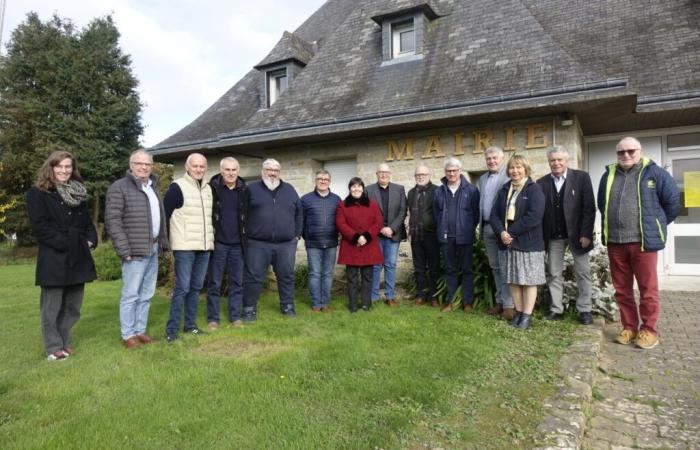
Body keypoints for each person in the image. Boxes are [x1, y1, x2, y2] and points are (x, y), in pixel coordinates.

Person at [598, 137, 680, 349]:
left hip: (643, 242)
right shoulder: (608, 175)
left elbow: (672, 205)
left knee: (647, 289)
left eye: (630, 151)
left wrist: (655, 223)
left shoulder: (656, 173)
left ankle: (649, 330)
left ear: (640, 151)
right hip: (616, 243)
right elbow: (602, 205)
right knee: (622, 289)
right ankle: (629, 327)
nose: (625, 155)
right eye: (621, 152)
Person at [26, 150, 97, 360]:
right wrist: (71, 244)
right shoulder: (37, 194)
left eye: (68, 167)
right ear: (51, 168)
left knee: (73, 306)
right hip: (54, 258)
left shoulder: (78, 193)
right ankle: (53, 346)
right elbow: (41, 228)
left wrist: (91, 240)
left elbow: (87, 224)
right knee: (52, 307)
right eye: (60, 166)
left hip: (79, 258)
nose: (64, 170)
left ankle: (65, 341)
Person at [106, 149, 169, 348]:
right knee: (131, 294)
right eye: (139, 163)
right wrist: (124, 249)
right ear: (131, 165)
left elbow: (160, 219)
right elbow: (113, 221)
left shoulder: (153, 187)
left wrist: (163, 244)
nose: (144, 167)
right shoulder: (119, 188)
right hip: (133, 251)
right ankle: (128, 335)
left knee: (147, 294)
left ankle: (140, 330)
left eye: (147, 164)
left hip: (153, 248)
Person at [537, 146, 596, 325]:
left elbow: (589, 208)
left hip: (578, 235)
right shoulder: (541, 183)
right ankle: (557, 310)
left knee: (583, 273)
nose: (556, 163)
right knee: (554, 273)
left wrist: (586, 233)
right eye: (552, 160)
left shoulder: (581, 178)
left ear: (566, 161)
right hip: (553, 236)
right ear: (549, 163)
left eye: (559, 160)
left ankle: (585, 310)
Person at [242, 158, 302, 321]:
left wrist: (297, 234)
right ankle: (249, 310)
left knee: (286, 276)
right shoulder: (251, 189)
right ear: (263, 171)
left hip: (286, 244)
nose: (272, 173)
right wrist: (245, 235)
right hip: (257, 243)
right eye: (269, 169)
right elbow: (242, 214)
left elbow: (299, 212)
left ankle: (287, 307)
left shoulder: (289, 189)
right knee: (253, 277)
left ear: (279, 172)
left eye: (276, 170)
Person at [490, 154, 546, 330]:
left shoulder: (533, 189)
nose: (515, 171)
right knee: (513, 279)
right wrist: (501, 232)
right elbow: (494, 215)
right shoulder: (504, 189)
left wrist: (510, 232)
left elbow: (534, 217)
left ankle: (527, 316)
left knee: (528, 280)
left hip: (528, 243)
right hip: (507, 242)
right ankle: (519, 313)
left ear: (526, 169)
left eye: (518, 167)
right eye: (512, 168)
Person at [163, 153, 214, 342]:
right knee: (182, 288)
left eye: (202, 166)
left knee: (196, 287)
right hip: (184, 246)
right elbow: (164, 215)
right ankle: (171, 330)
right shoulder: (177, 187)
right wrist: (165, 242)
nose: (199, 169)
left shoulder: (208, 189)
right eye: (195, 166)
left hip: (204, 246)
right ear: (187, 167)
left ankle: (190, 326)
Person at [434, 157, 480, 313]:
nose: (451, 173)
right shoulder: (439, 191)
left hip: (465, 237)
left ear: (460, 171)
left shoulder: (472, 190)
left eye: (454, 170)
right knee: (450, 270)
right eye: (448, 171)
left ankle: (467, 303)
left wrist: (466, 229)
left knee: (467, 270)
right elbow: (436, 214)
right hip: (446, 238)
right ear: (445, 172)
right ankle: (451, 302)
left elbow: (476, 214)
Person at [206, 157, 247, 329]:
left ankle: (235, 317)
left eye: (234, 170)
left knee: (237, 282)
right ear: (221, 171)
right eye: (227, 170)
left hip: (238, 245)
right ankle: (213, 319)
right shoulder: (212, 189)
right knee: (215, 282)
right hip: (219, 244)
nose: (231, 173)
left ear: (238, 171)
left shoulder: (244, 190)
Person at [336, 177, 384, 312]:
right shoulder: (342, 205)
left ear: (363, 188)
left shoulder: (372, 204)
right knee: (351, 278)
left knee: (368, 277)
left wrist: (366, 237)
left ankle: (366, 304)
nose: (356, 189)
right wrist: (356, 237)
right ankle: (353, 305)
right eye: (353, 186)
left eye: (359, 186)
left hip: (368, 245)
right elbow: (341, 224)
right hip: (351, 245)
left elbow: (378, 223)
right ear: (350, 189)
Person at [477, 146, 514, 320]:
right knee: (495, 267)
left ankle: (509, 305)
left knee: (505, 267)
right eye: (488, 158)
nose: (491, 161)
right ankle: (500, 301)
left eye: (494, 158)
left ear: (502, 159)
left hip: (502, 229)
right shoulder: (483, 178)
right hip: (486, 228)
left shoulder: (509, 176)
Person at [365, 163, 407, 306]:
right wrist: (381, 228)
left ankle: (390, 296)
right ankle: (374, 296)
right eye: (380, 172)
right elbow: (366, 213)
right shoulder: (368, 190)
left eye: (386, 172)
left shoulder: (399, 189)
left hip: (393, 235)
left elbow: (403, 211)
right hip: (376, 235)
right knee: (376, 265)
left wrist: (392, 228)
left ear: (390, 174)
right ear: (376, 174)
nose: (383, 174)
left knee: (390, 265)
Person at [301, 169, 341, 312]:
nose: (323, 181)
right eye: (320, 179)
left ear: (329, 181)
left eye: (326, 179)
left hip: (331, 242)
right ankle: (316, 303)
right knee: (315, 274)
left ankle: (326, 303)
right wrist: (306, 235)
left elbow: (341, 220)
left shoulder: (336, 199)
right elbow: (301, 221)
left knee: (328, 274)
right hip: (313, 243)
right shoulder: (305, 199)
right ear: (315, 181)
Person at [406, 165, 440, 306]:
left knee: (434, 267)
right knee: (419, 267)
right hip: (416, 235)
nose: (420, 177)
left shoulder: (437, 191)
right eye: (417, 175)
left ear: (429, 175)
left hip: (431, 235)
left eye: (423, 174)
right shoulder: (411, 192)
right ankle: (421, 295)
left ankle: (433, 296)